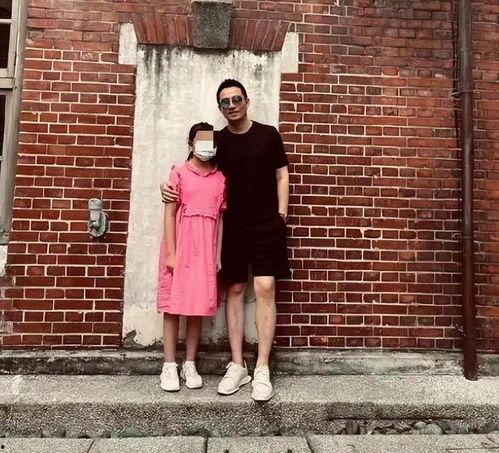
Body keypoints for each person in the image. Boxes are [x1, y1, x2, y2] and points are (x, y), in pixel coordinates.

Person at [161, 79, 289, 401]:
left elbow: (282, 174)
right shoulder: (216, 140)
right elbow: (193, 167)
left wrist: (281, 215)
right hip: (232, 226)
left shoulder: (268, 134)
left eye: (236, 99)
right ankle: (237, 365)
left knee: (265, 287)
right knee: (234, 289)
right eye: (225, 102)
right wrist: (166, 187)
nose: (231, 105)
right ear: (220, 108)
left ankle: (262, 367)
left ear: (246, 101)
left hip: (266, 224)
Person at [157, 122, 226, 392]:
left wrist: (217, 256)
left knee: (196, 307)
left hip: (205, 251)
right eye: (201, 141)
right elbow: (169, 213)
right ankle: (169, 364)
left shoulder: (220, 179)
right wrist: (172, 253)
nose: (206, 147)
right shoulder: (179, 173)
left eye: (210, 142)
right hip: (181, 246)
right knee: (173, 306)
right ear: (190, 144)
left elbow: (220, 220)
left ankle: (189, 362)